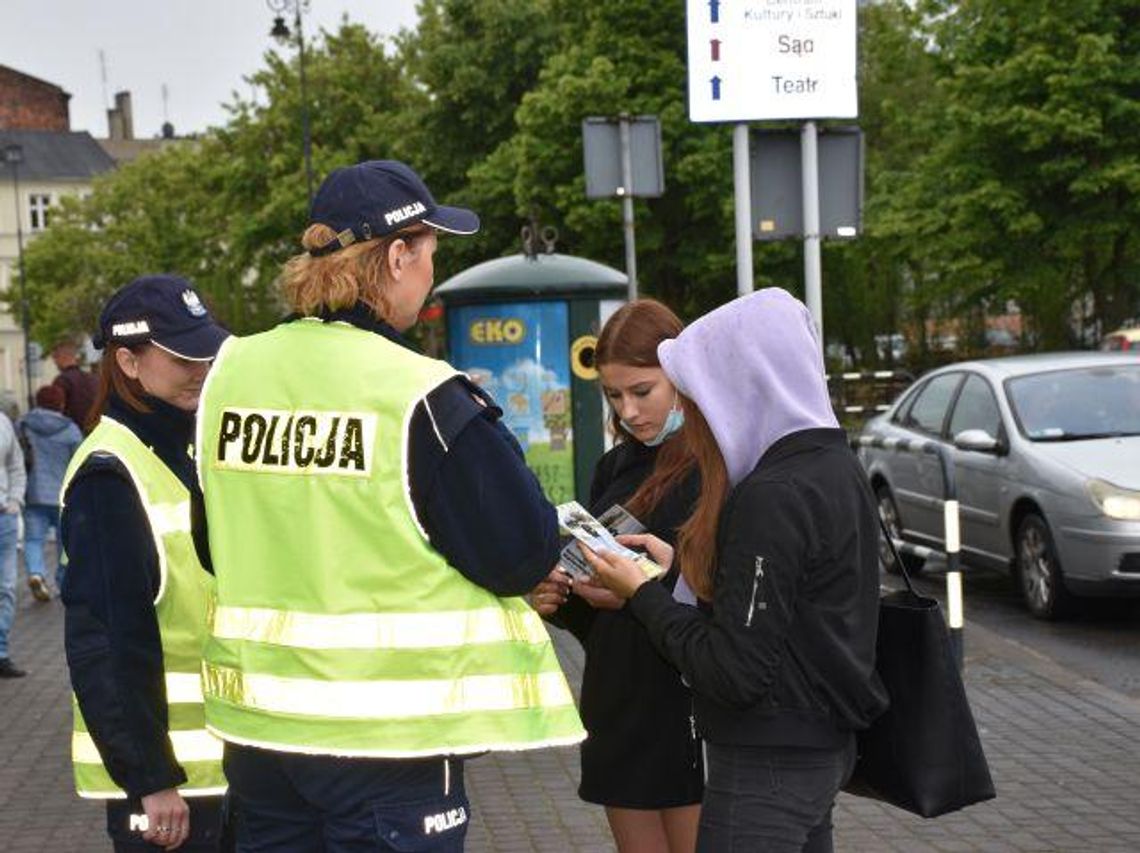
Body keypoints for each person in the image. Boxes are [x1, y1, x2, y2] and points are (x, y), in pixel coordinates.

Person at [195, 159, 584, 852]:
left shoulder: (232, 372)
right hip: (388, 745)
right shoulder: (419, 393)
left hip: (264, 737)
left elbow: (210, 539)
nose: (431, 273)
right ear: (399, 255)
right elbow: (522, 549)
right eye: (431, 253)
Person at [584, 288, 888, 853]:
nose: (697, 404)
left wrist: (647, 593)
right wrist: (685, 573)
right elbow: (793, 603)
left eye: (702, 386)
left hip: (769, 762)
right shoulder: (833, 463)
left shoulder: (769, 493)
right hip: (820, 745)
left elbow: (735, 670)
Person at [60, 274, 230, 851]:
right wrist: (151, 780)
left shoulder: (183, 449)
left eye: (206, 352)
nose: (201, 369)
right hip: (170, 793)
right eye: (183, 357)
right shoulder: (109, 474)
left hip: (223, 773)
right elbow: (106, 643)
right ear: (128, 362)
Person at [532, 300, 703, 853]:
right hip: (618, 698)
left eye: (642, 391)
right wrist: (561, 593)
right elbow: (591, 616)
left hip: (685, 705)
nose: (627, 411)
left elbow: (735, 592)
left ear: (680, 376)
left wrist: (649, 586)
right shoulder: (616, 465)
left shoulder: (719, 462)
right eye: (613, 395)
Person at [18, 384, 83, 600]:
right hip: (64, 494)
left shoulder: (24, 425)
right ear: (61, 403)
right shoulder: (70, 429)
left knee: (33, 539)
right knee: (65, 543)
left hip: (34, 492)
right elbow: (80, 461)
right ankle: (64, 582)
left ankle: (36, 573)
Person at [0, 407, 27, 678]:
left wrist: (15, 500)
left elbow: (16, 465)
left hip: (4, 518)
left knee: (6, 588)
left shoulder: (3, 423)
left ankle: (1, 654)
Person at [51, 337, 100, 433]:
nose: (55, 362)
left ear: (62, 357)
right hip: (95, 432)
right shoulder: (93, 379)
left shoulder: (62, 381)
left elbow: (55, 413)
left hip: (72, 435)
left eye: (55, 358)